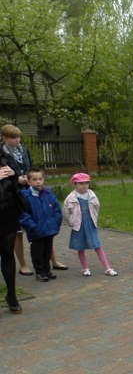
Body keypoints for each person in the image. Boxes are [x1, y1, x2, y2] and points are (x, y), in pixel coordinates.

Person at [63, 173, 118, 277]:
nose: (84, 186)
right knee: (80, 247)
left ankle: (107, 268)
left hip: (90, 224)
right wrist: (71, 222)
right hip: (78, 226)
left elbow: (97, 206)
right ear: (75, 184)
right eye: (81, 183)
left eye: (86, 183)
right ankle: (85, 268)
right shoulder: (71, 198)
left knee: (97, 246)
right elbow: (66, 211)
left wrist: (94, 218)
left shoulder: (91, 195)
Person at [1, 124, 34, 276]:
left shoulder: (24, 150)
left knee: (39, 224)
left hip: (29, 190)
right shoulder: (2, 154)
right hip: (13, 195)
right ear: (5, 138)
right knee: (18, 231)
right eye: (13, 138)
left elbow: (30, 167)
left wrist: (30, 178)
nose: (17, 141)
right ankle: (23, 264)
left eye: (18, 137)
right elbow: (5, 177)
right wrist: (16, 178)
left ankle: (50, 259)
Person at [19, 168, 61, 282]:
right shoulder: (25, 196)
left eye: (40, 179)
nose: (38, 182)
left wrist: (55, 222)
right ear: (28, 181)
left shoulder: (48, 193)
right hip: (36, 231)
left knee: (47, 251)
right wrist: (32, 226)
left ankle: (47, 270)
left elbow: (57, 209)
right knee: (37, 252)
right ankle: (40, 272)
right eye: (34, 179)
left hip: (49, 229)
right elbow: (23, 214)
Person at [0, 157, 24, 313]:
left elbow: (19, 183)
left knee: (7, 254)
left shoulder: (5, 158)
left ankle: (12, 296)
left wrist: (15, 175)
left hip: (7, 213)